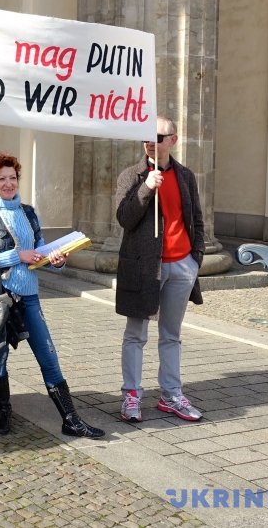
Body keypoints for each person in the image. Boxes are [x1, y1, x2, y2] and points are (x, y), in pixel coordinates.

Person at [0, 153, 104, 438]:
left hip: (29, 297)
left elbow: (39, 252)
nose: (8, 183)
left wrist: (56, 261)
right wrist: (16, 255)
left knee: (49, 356)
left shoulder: (29, 213)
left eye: (12, 177)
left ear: (18, 179)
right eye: (1, 179)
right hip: (0, 300)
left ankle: (71, 419)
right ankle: (4, 411)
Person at [116, 116, 205, 423]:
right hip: (144, 269)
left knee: (171, 334)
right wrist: (146, 189)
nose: (150, 140)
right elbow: (124, 218)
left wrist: (196, 259)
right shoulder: (132, 175)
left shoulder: (185, 176)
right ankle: (131, 394)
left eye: (157, 135)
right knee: (136, 334)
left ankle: (170, 395)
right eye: (145, 136)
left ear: (173, 140)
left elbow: (197, 219)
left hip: (181, 265)